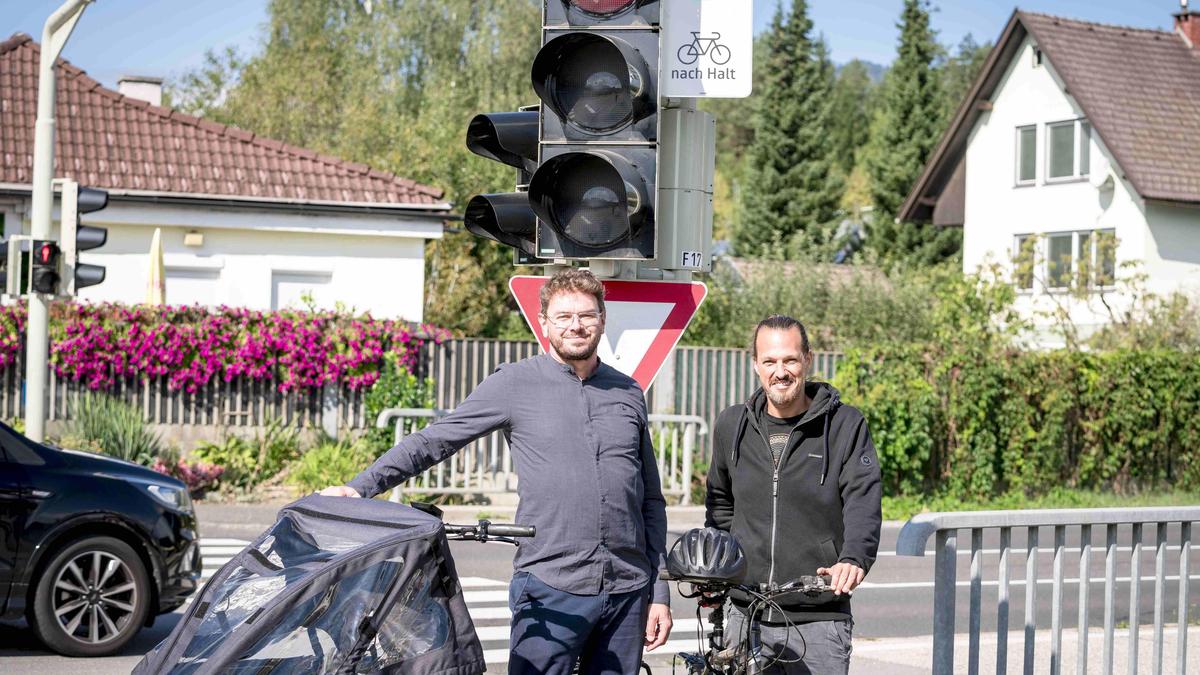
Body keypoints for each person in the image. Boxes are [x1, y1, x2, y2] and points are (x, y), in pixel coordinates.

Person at [321, 268, 672, 675]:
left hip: (627, 591)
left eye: (587, 315)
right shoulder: (514, 384)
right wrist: (360, 487)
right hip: (550, 586)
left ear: (602, 319)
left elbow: (649, 498)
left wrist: (658, 589)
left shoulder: (628, 392)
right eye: (564, 316)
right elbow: (436, 440)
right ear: (544, 323)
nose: (576, 325)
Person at [705, 314, 882, 674]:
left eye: (790, 360)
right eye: (769, 361)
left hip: (818, 617)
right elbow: (720, 505)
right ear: (755, 365)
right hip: (744, 613)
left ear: (808, 360)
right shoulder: (731, 425)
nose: (780, 371)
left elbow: (863, 500)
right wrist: (715, 571)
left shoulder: (845, 425)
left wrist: (854, 558)